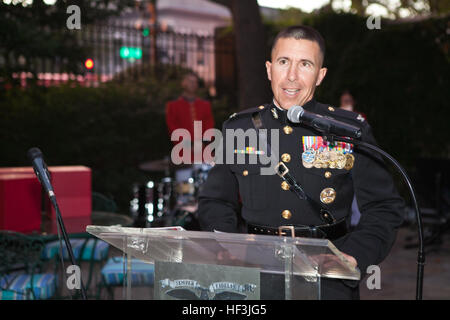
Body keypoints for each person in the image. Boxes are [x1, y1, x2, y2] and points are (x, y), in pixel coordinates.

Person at [197, 25, 404, 299]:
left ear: (320, 75)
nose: (292, 76)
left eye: (305, 64)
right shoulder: (239, 128)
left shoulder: (347, 129)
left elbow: (385, 206)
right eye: (284, 62)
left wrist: (354, 256)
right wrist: (228, 245)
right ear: (270, 69)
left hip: (328, 279)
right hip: (255, 276)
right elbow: (215, 200)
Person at [165, 72, 215, 181]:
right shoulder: (173, 106)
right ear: (183, 83)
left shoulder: (205, 105)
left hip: (204, 153)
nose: (193, 84)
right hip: (184, 156)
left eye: (195, 82)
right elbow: (172, 128)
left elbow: (209, 126)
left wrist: (203, 142)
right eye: (190, 81)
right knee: (185, 191)